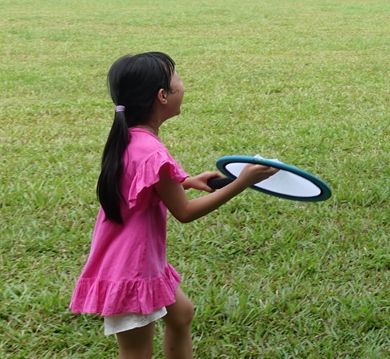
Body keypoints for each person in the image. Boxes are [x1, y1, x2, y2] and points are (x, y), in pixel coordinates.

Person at [70, 52, 277, 359]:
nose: (183, 85)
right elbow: (185, 212)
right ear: (162, 96)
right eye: (177, 78)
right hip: (131, 269)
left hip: (136, 258)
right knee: (137, 353)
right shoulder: (152, 152)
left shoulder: (130, 139)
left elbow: (141, 186)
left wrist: (187, 181)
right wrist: (241, 183)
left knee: (181, 315)